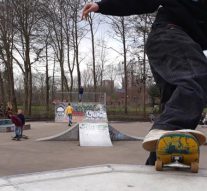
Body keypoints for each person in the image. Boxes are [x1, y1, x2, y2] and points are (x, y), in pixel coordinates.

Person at [82, 0, 207, 165]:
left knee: (178, 101)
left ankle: (159, 160)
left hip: (179, 48)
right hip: (169, 36)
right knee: (197, 80)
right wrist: (103, 6)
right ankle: (165, 131)